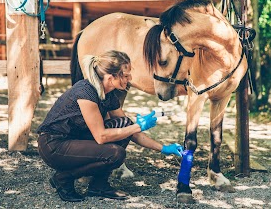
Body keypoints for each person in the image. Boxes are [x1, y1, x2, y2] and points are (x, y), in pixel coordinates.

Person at [37, 50, 183, 202]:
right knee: (115, 154)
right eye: (125, 75)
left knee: (124, 123)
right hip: (54, 145)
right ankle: (63, 178)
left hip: (75, 140)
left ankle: (98, 185)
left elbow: (129, 129)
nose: (130, 78)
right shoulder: (86, 92)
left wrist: (164, 148)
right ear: (111, 77)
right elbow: (101, 137)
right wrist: (138, 126)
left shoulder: (109, 94)